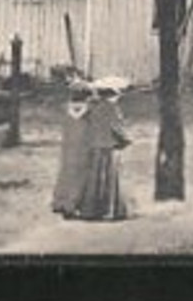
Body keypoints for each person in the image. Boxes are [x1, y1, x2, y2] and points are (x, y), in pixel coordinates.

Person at [71, 77, 132, 221]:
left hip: (92, 146)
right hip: (108, 146)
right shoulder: (112, 109)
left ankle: (90, 210)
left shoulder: (90, 107)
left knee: (93, 178)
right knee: (109, 179)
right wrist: (125, 140)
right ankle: (109, 210)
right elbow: (117, 128)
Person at [51, 79, 93, 217]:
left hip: (68, 146)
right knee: (81, 173)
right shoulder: (90, 111)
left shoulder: (66, 109)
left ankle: (61, 201)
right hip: (84, 144)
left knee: (66, 172)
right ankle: (75, 203)